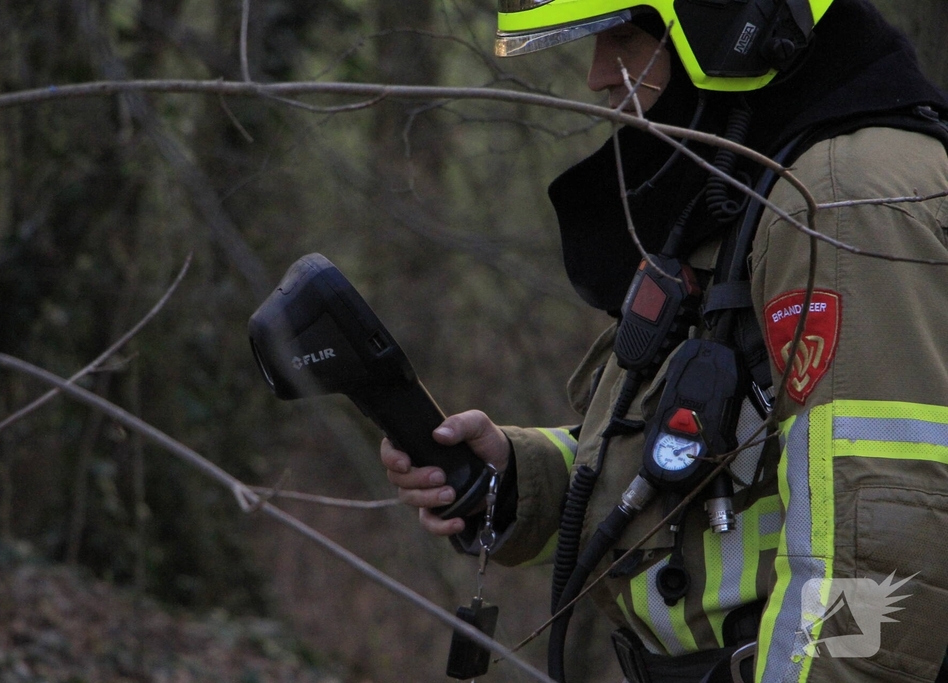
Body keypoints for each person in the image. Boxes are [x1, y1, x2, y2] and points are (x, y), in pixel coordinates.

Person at [381, 0, 948, 681]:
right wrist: (512, 478)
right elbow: (701, 462)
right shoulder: (751, 186)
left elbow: (882, 561)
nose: (597, 76)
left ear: (728, 30)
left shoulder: (843, 200)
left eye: (622, 37)